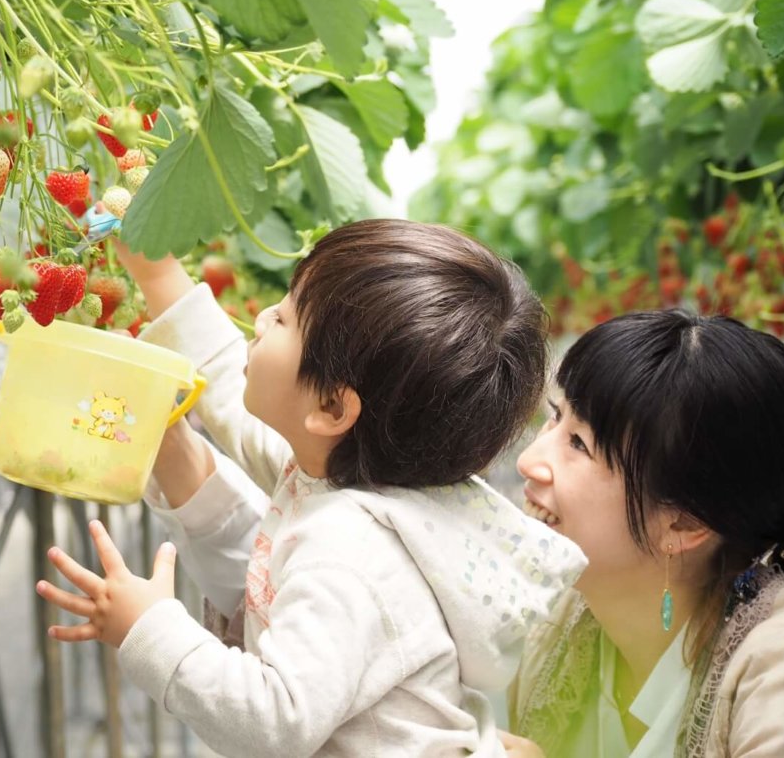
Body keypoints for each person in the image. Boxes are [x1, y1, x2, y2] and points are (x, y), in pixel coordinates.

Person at [35, 219, 586, 757]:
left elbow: (276, 723)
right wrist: (155, 273)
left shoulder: (351, 555)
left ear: (331, 408)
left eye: (289, 316)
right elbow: (231, 383)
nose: (265, 315)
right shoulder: (347, 470)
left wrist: (150, 628)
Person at [502, 310, 784, 758]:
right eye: (554, 417)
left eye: (579, 444)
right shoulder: (552, 627)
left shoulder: (782, 671)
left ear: (683, 524)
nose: (529, 460)